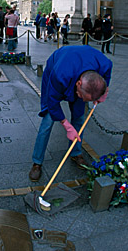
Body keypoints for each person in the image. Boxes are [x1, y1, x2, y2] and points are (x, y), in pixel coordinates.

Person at [29, 45, 112, 181]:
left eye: (86, 99)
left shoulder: (103, 64)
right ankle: (37, 162)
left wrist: (104, 92)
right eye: (81, 95)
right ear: (79, 84)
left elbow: (108, 72)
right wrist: (66, 125)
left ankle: (76, 152)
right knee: (48, 121)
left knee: (79, 118)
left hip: (79, 68)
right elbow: (53, 102)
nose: (81, 98)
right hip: (57, 68)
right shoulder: (59, 74)